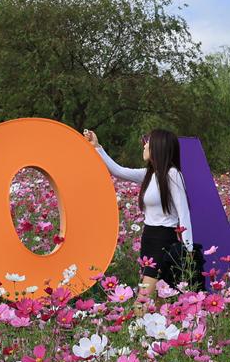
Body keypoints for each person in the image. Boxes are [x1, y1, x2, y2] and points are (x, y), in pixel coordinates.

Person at [83, 128, 195, 301]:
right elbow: (118, 171)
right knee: (157, 301)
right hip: (148, 238)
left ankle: (134, 327)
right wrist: (97, 147)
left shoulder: (172, 175)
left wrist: (188, 250)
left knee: (142, 299)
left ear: (159, 146)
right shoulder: (149, 175)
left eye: (147, 142)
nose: (144, 146)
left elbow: (184, 213)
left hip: (164, 240)